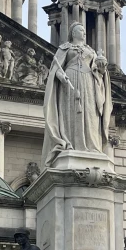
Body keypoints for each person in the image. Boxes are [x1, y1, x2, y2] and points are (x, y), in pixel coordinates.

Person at [41, 22, 113, 166]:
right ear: (73, 33)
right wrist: (62, 77)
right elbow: (56, 69)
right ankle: (70, 143)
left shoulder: (91, 51)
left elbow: (100, 72)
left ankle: (91, 146)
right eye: (81, 30)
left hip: (88, 82)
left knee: (90, 113)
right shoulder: (64, 48)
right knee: (71, 114)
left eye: (84, 30)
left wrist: (102, 67)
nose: (84, 32)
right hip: (70, 82)